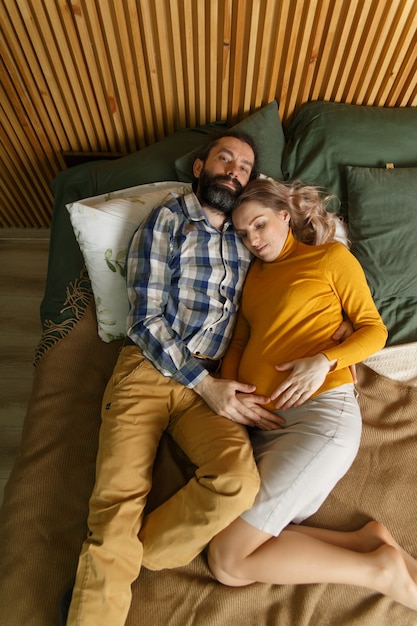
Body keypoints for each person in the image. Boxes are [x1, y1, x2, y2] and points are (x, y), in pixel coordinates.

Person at [207, 178, 417, 613]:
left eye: (260, 225)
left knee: (227, 560)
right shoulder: (254, 280)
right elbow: (241, 344)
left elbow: (373, 330)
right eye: (244, 234)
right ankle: (367, 545)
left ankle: (381, 571)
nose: (254, 239)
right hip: (264, 428)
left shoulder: (329, 258)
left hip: (319, 417)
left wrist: (325, 360)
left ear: (285, 216)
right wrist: (232, 394)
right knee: (229, 559)